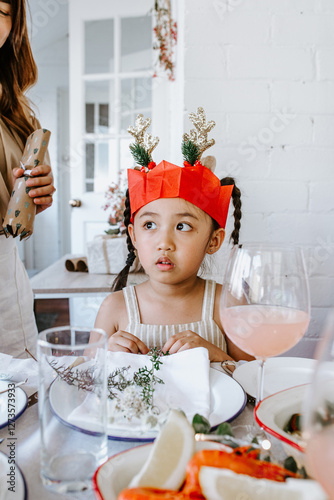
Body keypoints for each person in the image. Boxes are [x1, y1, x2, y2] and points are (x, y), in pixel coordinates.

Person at [95, 109, 253, 363]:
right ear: (134, 236)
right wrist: (106, 357)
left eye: (182, 226)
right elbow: (85, 380)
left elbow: (254, 383)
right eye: (149, 225)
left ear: (213, 241)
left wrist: (216, 356)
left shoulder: (229, 304)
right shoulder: (114, 308)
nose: (164, 243)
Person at [0, 0, 55, 358]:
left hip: (4, 282)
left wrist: (40, 193)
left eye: (2, 12)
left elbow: (27, 204)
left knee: (17, 401)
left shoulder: (17, 111)